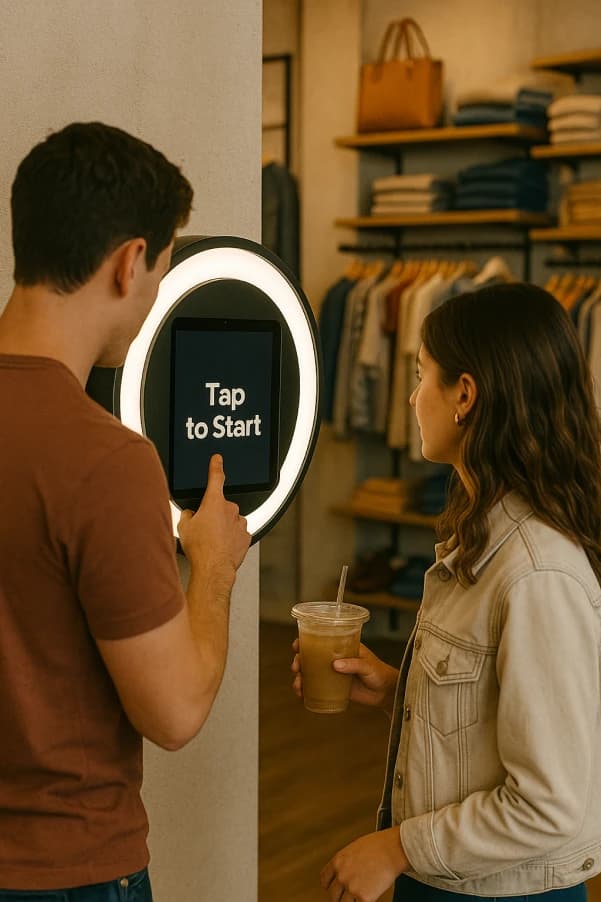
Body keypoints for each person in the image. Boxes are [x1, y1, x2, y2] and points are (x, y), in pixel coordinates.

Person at [0, 122, 251, 899]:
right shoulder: (105, 461)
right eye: (161, 270)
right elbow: (173, 712)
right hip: (66, 869)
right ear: (130, 262)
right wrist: (212, 566)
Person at [292, 282, 601, 902]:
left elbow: (550, 804)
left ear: (464, 396)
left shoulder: (537, 574)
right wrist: (396, 693)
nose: (410, 397)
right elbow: (494, 722)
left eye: (420, 375)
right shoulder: (481, 539)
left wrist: (397, 845)